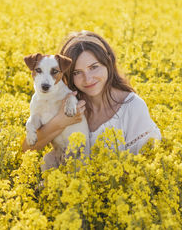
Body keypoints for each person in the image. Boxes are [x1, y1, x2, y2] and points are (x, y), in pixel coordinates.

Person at [22, 30, 161, 155]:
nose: (88, 79)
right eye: (77, 72)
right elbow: (26, 150)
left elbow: (147, 162)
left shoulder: (132, 107)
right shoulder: (64, 102)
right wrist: (60, 122)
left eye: (94, 67)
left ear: (108, 62)